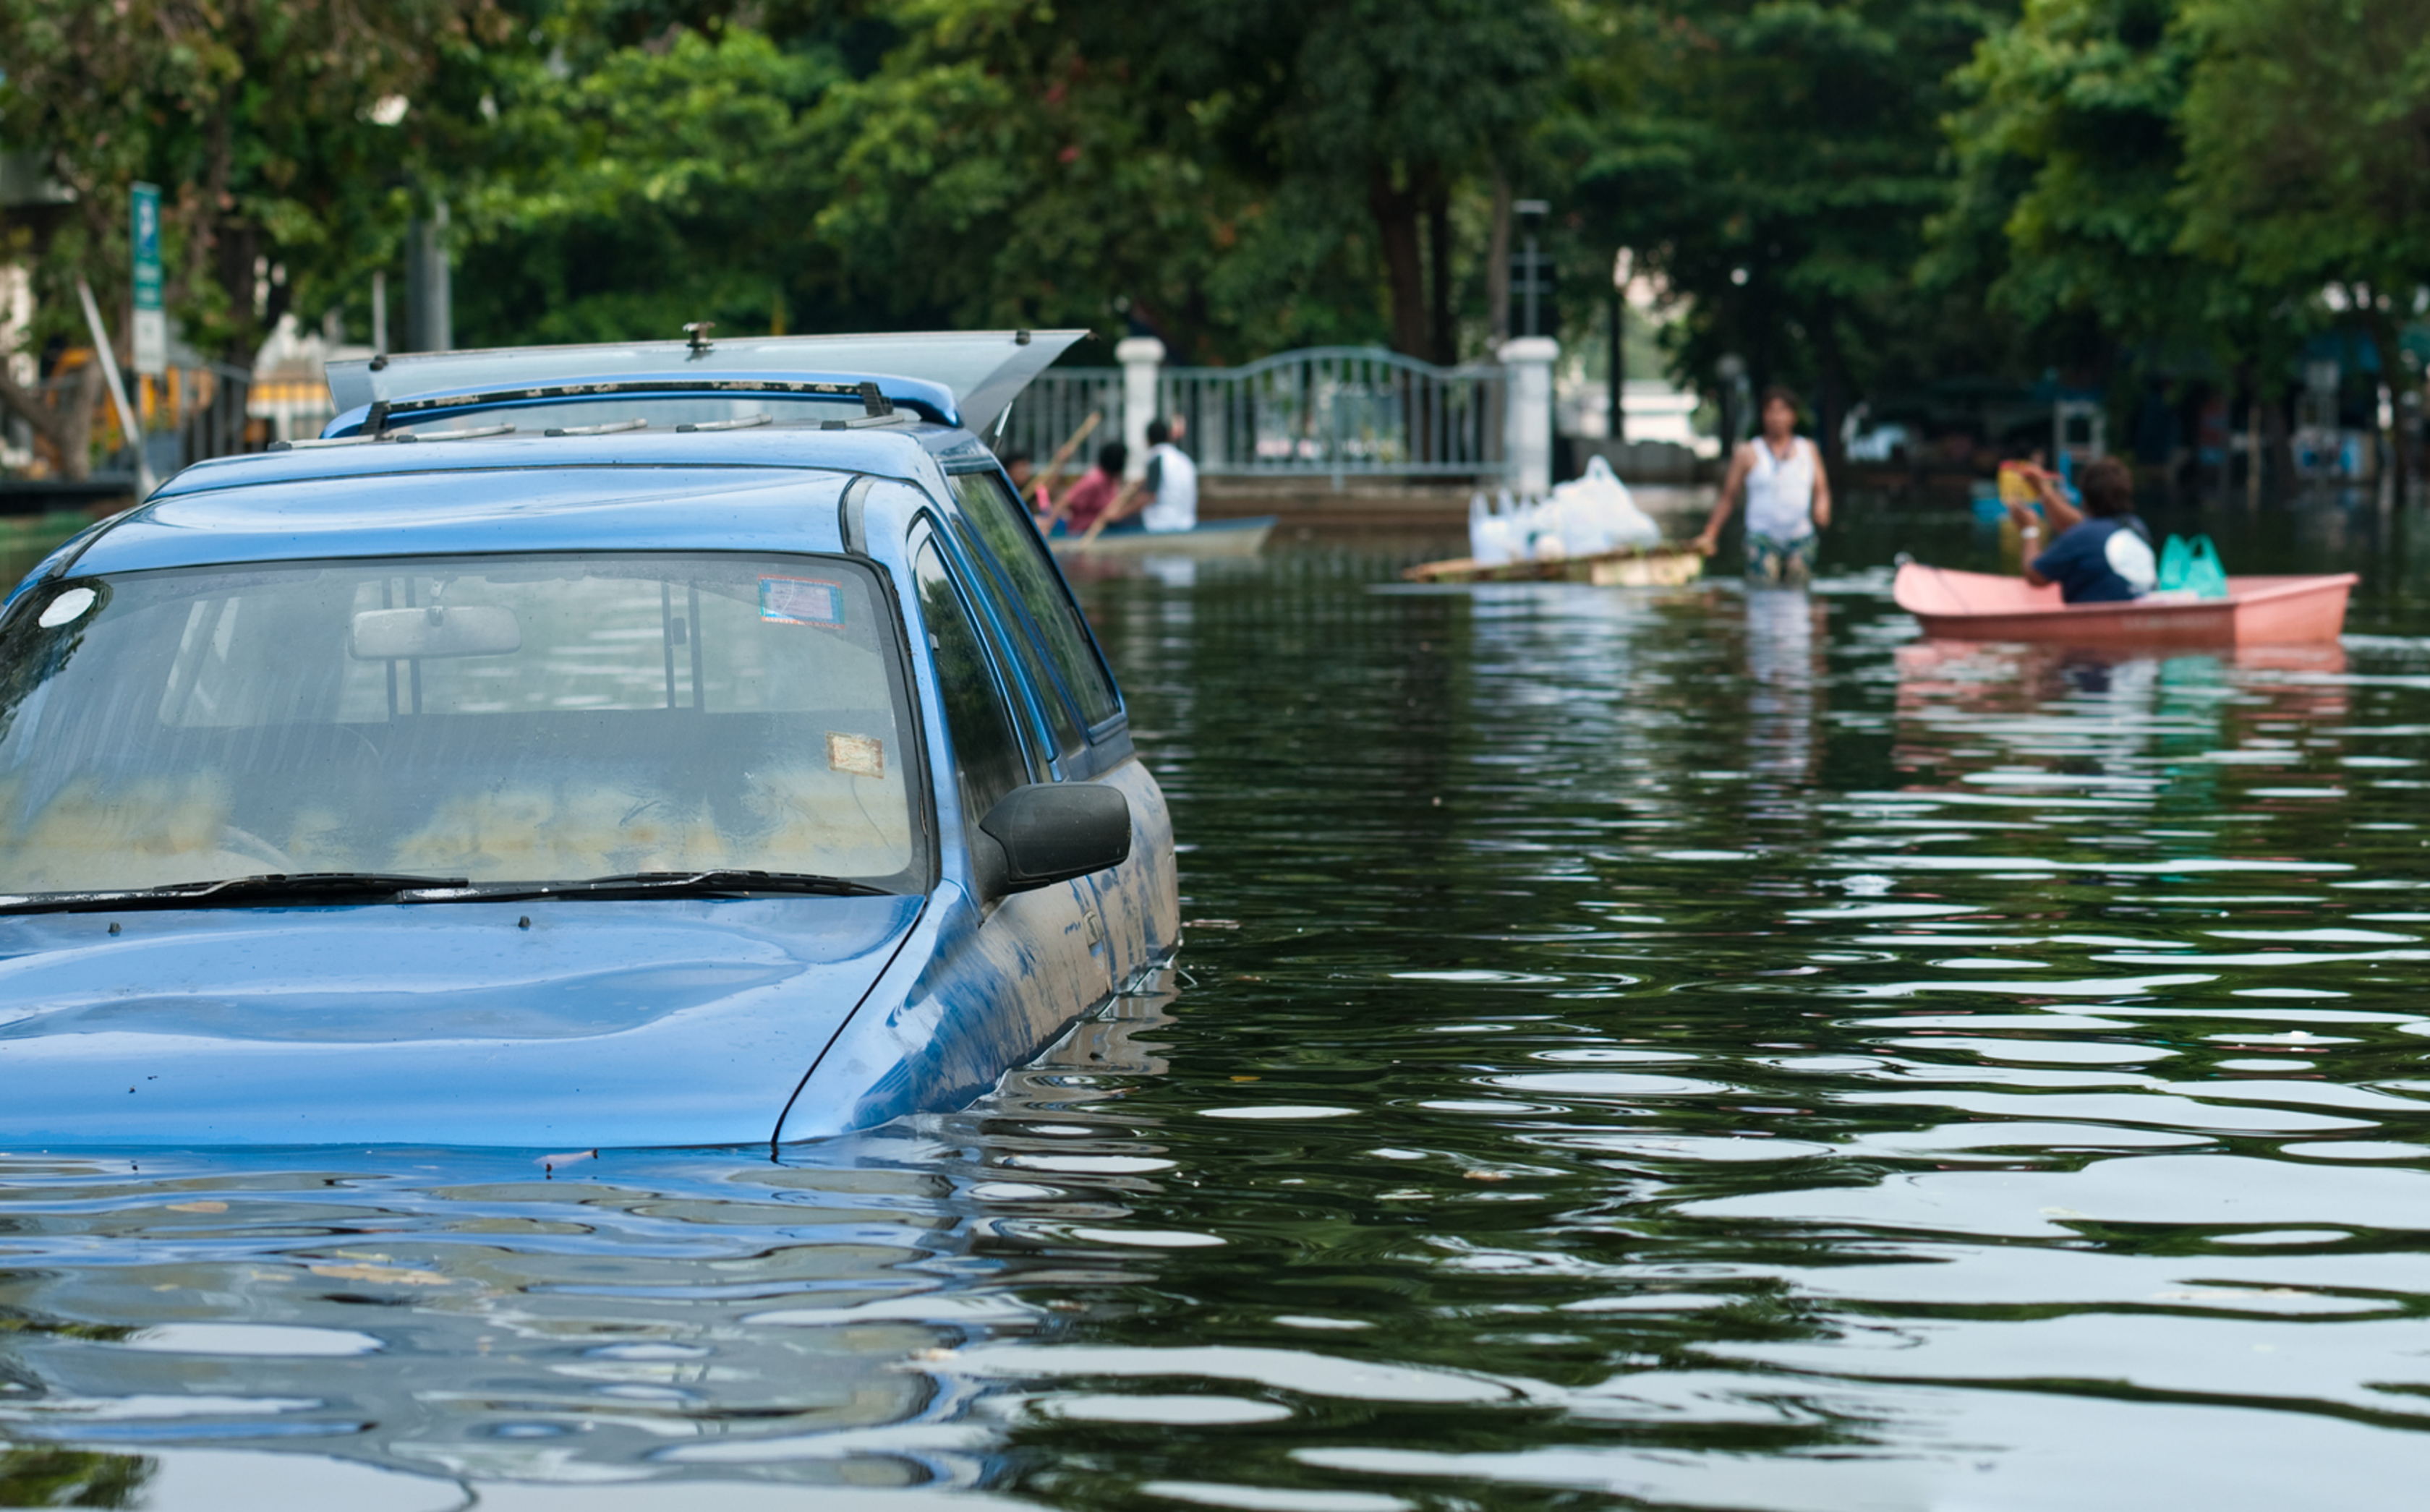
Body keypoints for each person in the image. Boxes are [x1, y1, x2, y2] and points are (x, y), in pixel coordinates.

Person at [1692, 386, 1832, 585]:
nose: (1776, 417)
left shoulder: (1808, 449)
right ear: (1763, 415)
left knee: (1798, 585)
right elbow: (1728, 497)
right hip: (1761, 537)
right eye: (1770, 411)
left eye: (1782, 411)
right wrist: (1710, 533)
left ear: (1793, 416)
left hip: (1800, 536)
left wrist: (1822, 509)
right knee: (1763, 586)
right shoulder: (1747, 452)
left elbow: (1821, 490)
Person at [2009, 455, 2152, 602]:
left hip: (2099, 621)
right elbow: (2081, 525)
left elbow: (2035, 576)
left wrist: (2029, 529)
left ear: (2085, 499)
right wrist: (2042, 490)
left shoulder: (2083, 536)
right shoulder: (2137, 527)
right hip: (2140, 614)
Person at [1048, 441, 1128, 536]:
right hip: (1083, 534)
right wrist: (1048, 524)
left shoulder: (1112, 479)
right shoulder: (1095, 480)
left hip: (1104, 533)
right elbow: (1065, 501)